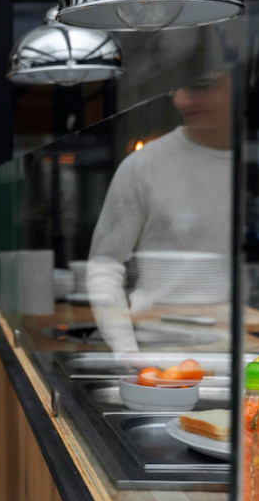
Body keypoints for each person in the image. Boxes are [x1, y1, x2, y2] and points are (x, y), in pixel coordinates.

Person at [87, 68, 233, 352]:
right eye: (174, 90)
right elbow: (104, 263)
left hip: (251, 352)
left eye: (200, 85)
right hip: (159, 352)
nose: (180, 101)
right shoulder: (143, 166)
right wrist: (125, 350)